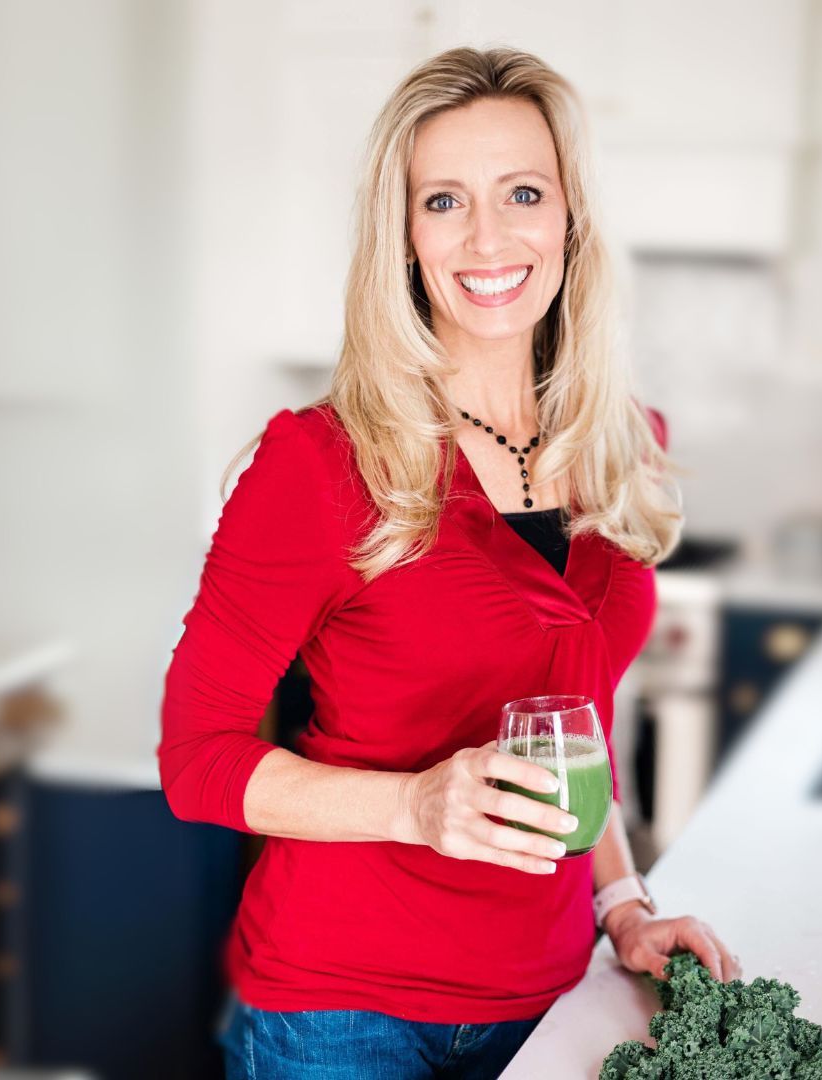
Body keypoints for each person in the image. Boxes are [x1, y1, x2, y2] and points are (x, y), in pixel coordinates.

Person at [159, 46, 738, 1080]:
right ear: (405, 237)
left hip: (556, 995)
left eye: (523, 192)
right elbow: (195, 762)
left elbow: (577, 716)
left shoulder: (621, 445)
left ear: (571, 219)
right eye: (443, 200)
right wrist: (412, 806)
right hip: (339, 1016)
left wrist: (624, 905)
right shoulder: (320, 464)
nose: (488, 237)